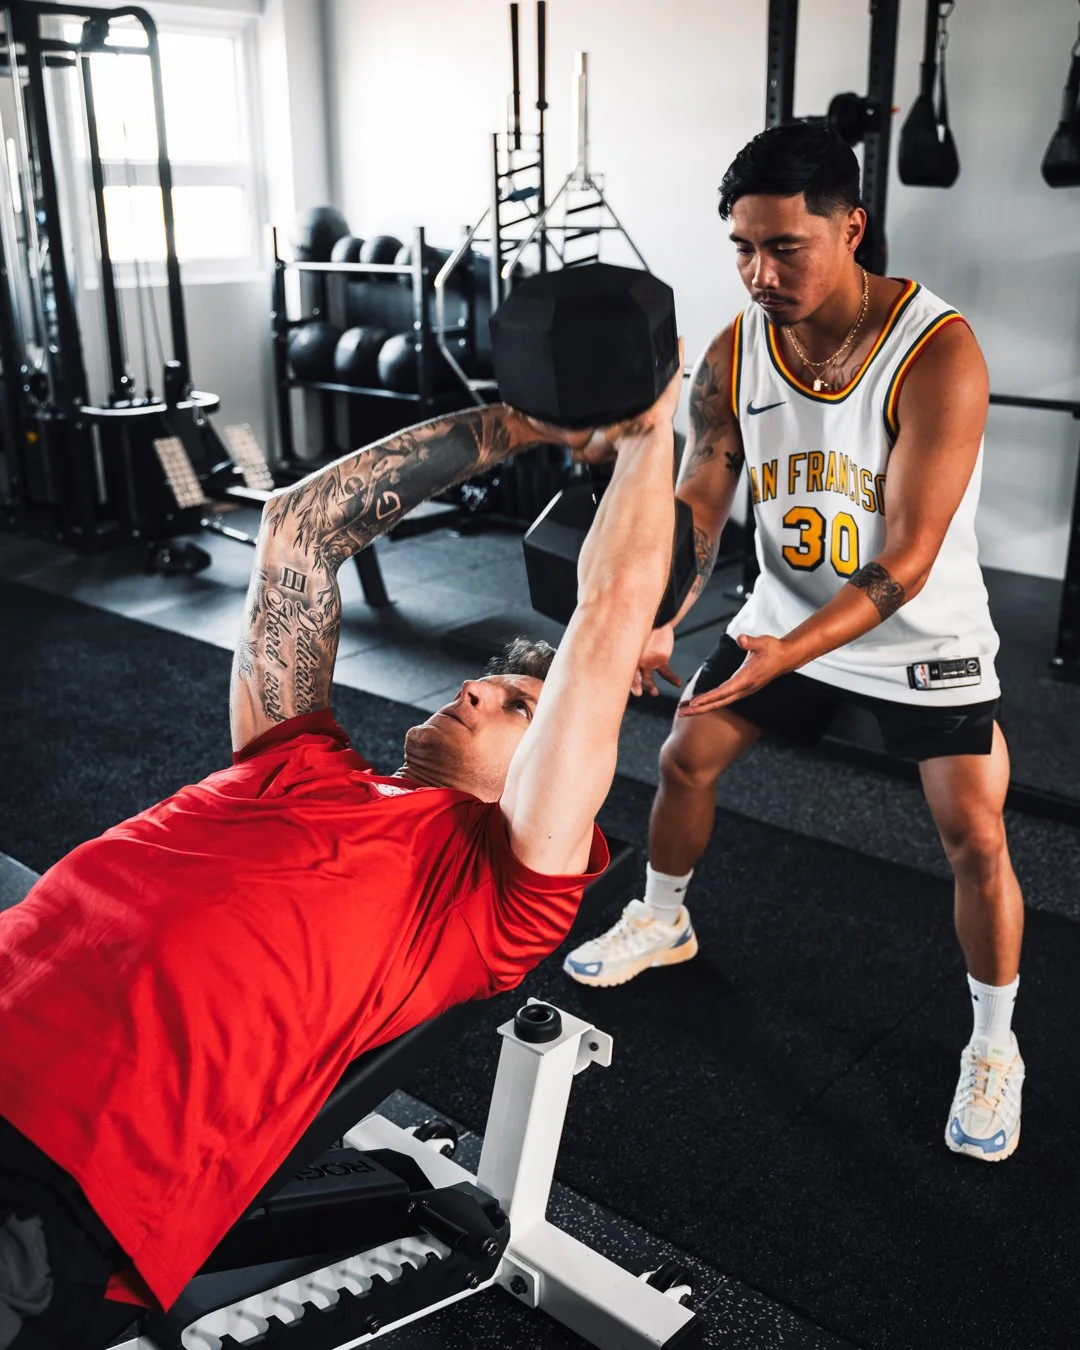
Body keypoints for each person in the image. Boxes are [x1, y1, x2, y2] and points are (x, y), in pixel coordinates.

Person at [0, 358, 682, 1345]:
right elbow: (300, 532)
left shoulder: (492, 898)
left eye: (520, 707)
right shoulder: (302, 757)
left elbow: (609, 616)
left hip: (61, 1162)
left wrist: (646, 435)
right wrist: (522, 422)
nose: (482, 692)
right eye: (491, 682)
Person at [564, 121, 1025, 1165]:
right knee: (684, 759)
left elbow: (905, 556)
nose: (758, 272)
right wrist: (663, 607)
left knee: (978, 836)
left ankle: (995, 1044)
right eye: (741, 246)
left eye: (783, 246)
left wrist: (787, 653)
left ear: (851, 227)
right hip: (782, 614)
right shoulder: (736, 348)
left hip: (918, 629)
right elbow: (703, 492)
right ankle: (664, 917)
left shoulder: (938, 352)